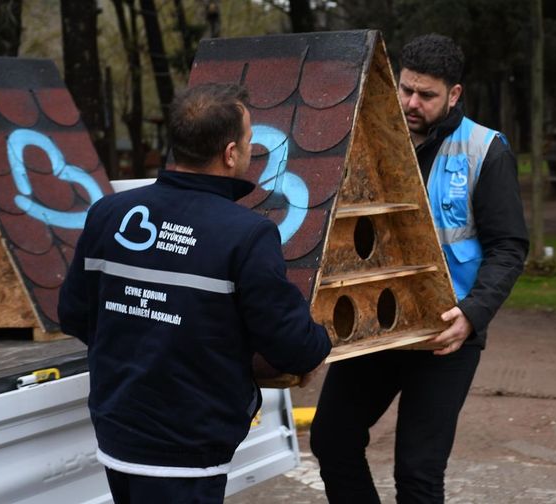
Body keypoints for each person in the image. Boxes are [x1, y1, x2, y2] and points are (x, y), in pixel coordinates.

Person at [58, 83, 331, 504]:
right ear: (229, 154)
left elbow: (75, 315)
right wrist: (324, 339)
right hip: (189, 447)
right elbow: (292, 344)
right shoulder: (247, 234)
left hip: (118, 434)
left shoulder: (108, 213)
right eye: (247, 141)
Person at [310, 34, 529, 503]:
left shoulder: (484, 150)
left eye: (426, 95)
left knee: (418, 473)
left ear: (454, 94)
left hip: (446, 335)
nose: (411, 102)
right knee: (331, 439)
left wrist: (473, 314)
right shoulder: (364, 138)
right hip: (376, 326)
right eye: (405, 89)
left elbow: (509, 247)